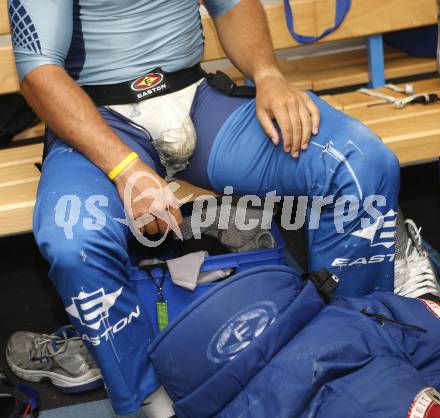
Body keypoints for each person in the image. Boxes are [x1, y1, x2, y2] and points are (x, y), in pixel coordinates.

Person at [6, 0, 439, 416]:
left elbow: (231, 4)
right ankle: (154, 403)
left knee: (359, 162)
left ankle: (356, 344)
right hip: (98, 121)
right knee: (73, 241)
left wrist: (267, 74)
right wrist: (125, 168)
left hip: (197, 100)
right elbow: (38, 72)